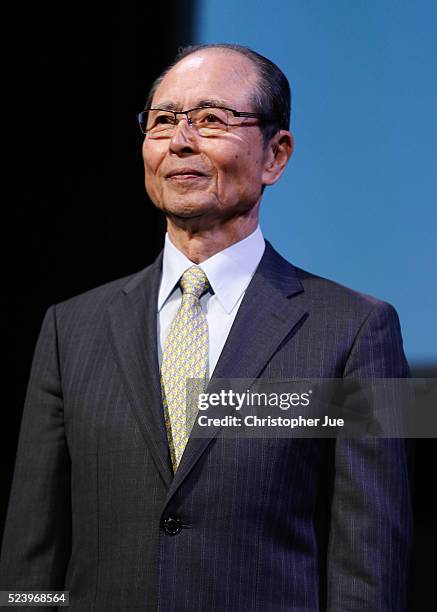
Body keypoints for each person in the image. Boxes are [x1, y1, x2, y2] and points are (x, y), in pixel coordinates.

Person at [0, 44, 412, 611]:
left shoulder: (362, 330)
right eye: (164, 120)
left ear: (276, 155)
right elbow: (31, 551)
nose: (180, 141)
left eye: (212, 119)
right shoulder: (70, 328)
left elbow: (372, 566)